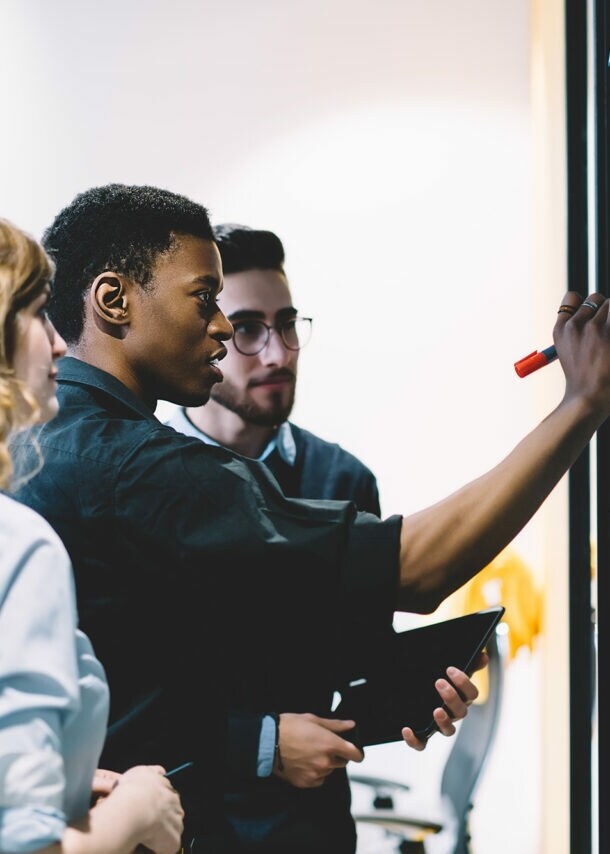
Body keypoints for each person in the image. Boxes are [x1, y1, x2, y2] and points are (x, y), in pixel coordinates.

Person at [13, 183, 610, 852]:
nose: (225, 331)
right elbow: (419, 569)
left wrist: (400, 692)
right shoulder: (139, 469)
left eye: (282, 324)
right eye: (206, 302)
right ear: (114, 300)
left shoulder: (42, 444)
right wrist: (579, 406)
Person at [165, 222, 484, 851]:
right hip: (178, 821)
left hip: (309, 828)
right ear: (206, 331)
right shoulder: (144, 474)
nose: (278, 353)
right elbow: (134, 689)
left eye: (287, 324)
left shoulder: (341, 479)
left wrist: (416, 698)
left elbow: (358, 661)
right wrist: (257, 744)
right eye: (249, 328)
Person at [0, 217, 184, 853]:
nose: (57, 345)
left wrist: (67, 786)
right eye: (33, 315)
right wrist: (134, 814)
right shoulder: (18, 545)